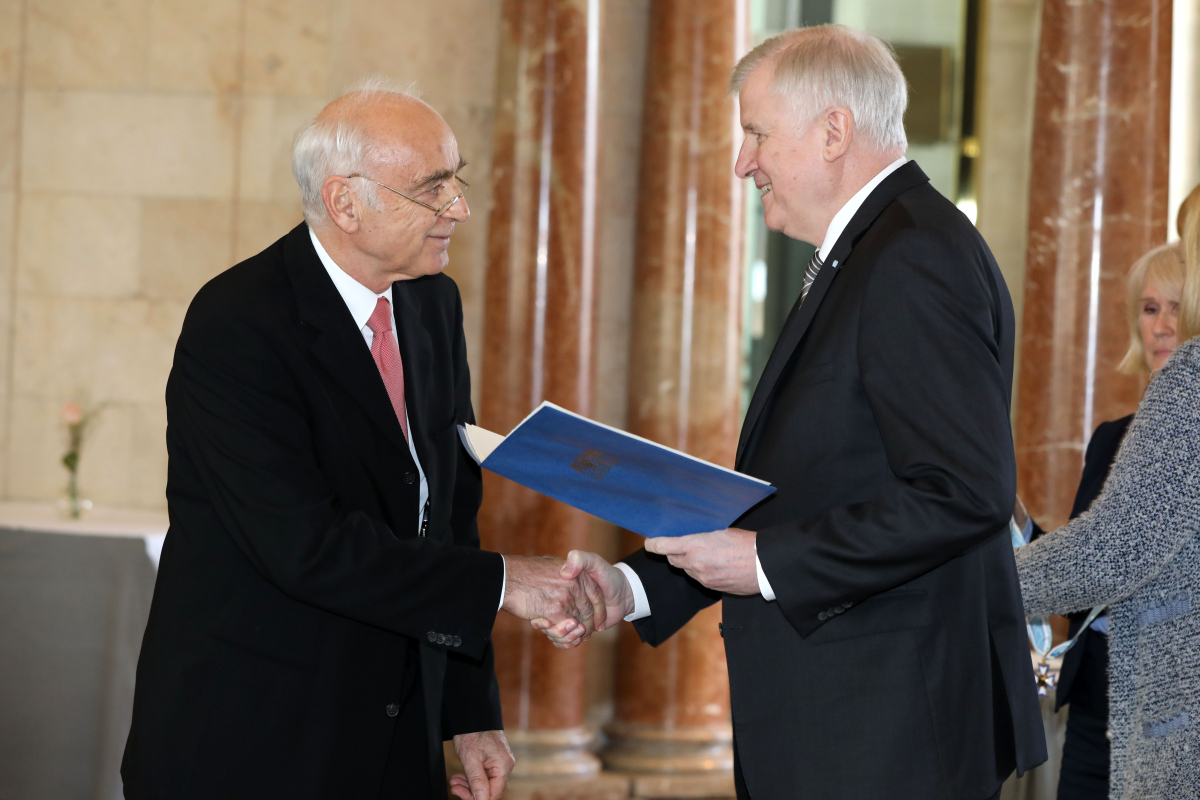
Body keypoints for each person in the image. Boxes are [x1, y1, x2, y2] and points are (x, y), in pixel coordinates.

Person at [540, 24, 1046, 800]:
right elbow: (810, 488)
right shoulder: (873, 248)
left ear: (834, 131)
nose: (745, 162)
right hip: (852, 718)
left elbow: (964, 492)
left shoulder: (911, 255)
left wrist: (764, 563)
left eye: (757, 133)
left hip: (887, 725)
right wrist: (636, 587)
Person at [120, 81, 606, 800]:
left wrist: (469, 714)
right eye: (431, 189)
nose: (459, 209)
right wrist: (506, 585)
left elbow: (449, 517)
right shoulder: (238, 323)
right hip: (255, 738)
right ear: (346, 203)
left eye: (456, 181)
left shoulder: (432, 300)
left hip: (394, 731)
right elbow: (306, 547)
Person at [1014, 204, 1200, 798]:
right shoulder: (1114, 435)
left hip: (1165, 704)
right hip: (1100, 696)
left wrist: (972, 581)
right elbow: (1089, 549)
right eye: (1150, 309)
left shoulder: (1189, 391)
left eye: (1178, 304)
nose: (1163, 325)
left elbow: (1107, 552)